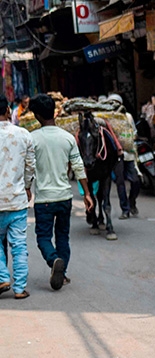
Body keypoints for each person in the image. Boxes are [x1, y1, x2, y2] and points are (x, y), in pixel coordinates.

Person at [30, 93, 93, 291]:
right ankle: (62, 273)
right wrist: (87, 194)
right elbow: (78, 166)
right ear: (54, 113)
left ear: (37, 116)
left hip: (44, 199)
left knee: (43, 237)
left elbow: (29, 168)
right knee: (63, 237)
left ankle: (54, 259)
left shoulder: (32, 139)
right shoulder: (67, 138)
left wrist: (25, 187)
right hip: (65, 197)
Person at [0, 96, 34, 299]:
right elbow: (30, 165)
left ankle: (3, 276)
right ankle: (20, 288)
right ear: (7, 110)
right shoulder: (23, 134)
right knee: (19, 245)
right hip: (17, 200)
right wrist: (28, 186)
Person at [107, 94, 141, 219]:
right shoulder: (108, 118)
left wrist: (130, 138)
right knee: (120, 182)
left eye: (116, 103)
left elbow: (134, 131)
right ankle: (125, 209)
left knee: (136, 181)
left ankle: (132, 201)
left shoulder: (128, 117)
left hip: (129, 154)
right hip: (116, 156)